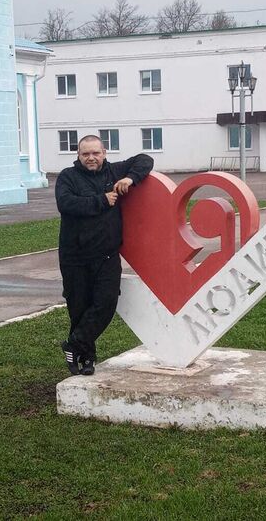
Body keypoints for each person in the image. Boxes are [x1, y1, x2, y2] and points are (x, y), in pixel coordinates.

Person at [55, 135, 153, 375]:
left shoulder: (115, 171)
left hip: (107, 256)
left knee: (106, 303)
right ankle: (87, 360)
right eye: (85, 154)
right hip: (75, 258)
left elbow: (145, 159)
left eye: (95, 153)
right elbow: (66, 204)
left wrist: (130, 178)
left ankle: (73, 344)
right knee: (79, 308)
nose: (91, 158)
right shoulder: (67, 176)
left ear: (104, 153)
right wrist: (102, 200)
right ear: (78, 155)